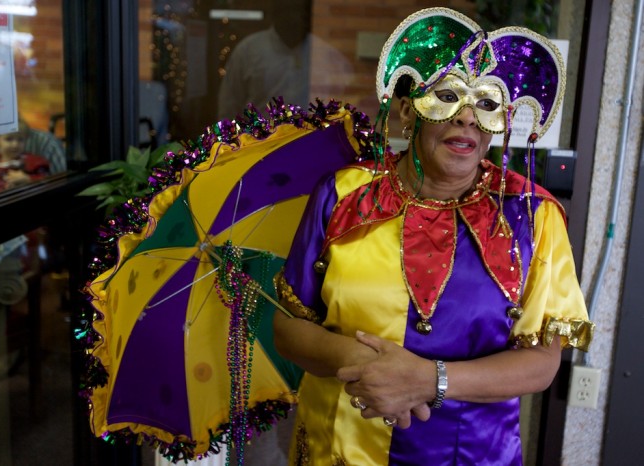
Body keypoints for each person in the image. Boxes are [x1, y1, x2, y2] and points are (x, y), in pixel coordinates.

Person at [272, 7, 594, 465]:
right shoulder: (343, 194)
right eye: (447, 97)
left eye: (485, 104)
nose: (466, 119)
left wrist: (430, 380)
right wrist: (369, 366)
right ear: (407, 111)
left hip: (467, 453)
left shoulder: (532, 215)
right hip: (340, 445)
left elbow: (541, 363)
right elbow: (289, 326)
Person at [216, 0, 352, 120]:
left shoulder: (325, 54)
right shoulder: (248, 51)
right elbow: (229, 106)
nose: (297, 17)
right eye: (290, 9)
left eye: (302, 11)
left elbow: (343, 102)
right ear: (276, 12)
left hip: (310, 144)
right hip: (260, 144)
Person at [0, 120, 51, 195]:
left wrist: (28, 179)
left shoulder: (31, 161)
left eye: (20, 140)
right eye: (9, 139)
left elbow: (46, 179)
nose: (15, 144)